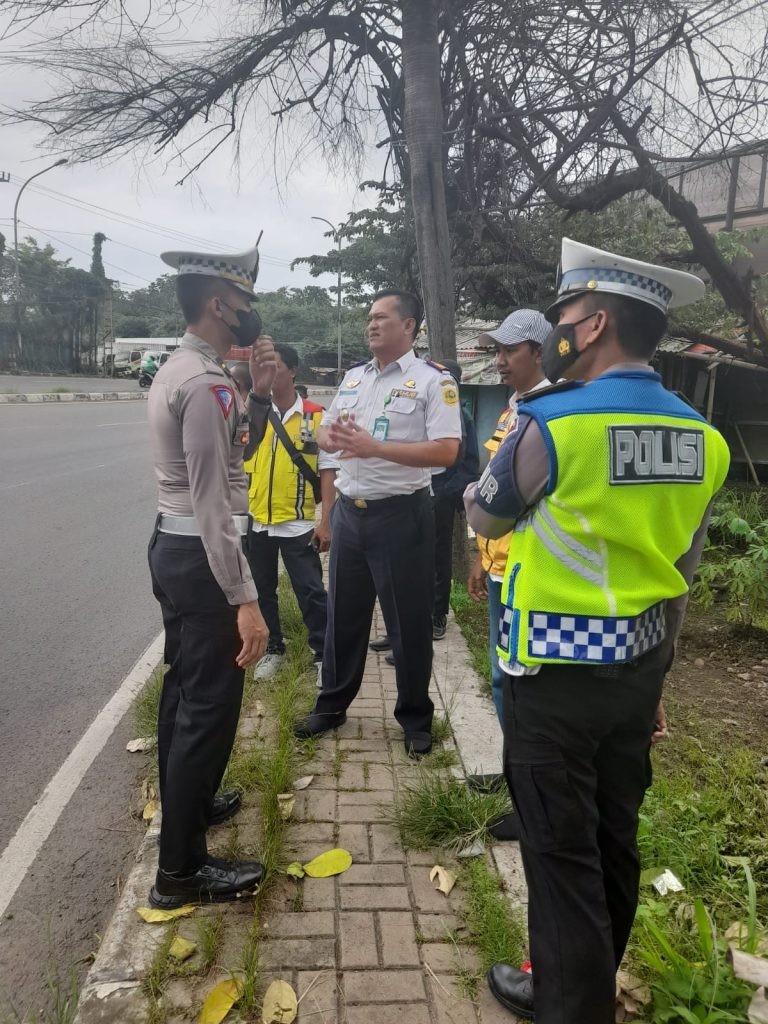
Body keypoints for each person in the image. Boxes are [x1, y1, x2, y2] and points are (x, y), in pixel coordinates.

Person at [465, 238, 731, 1024]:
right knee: (615, 838)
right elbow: (680, 573)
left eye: (564, 315)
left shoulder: (551, 422)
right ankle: (580, 982)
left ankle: (569, 1005)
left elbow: (483, 512)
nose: (557, 329)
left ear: (599, 321)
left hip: (554, 677)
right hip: (640, 674)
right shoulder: (703, 440)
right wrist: (656, 687)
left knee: (559, 857)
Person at [146, 241, 278, 908]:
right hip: (202, 556)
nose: (252, 313)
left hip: (175, 549)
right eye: (246, 301)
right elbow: (213, 504)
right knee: (208, 709)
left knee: (185, 694)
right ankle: (180, 872)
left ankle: (189, 806)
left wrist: (253, 393)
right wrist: (247, 600)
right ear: (220, 304)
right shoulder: (204, 384)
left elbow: (233, 453)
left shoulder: (186, 370)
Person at [293, 290, 463, 757]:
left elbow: (447, 451)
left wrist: (376, 448)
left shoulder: (433, 382)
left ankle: (414, 718)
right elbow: (325, 432)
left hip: (402, 516)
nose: (371, 325)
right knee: (342, 617)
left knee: (407, 624)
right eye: (368, 318)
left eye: (381, 318)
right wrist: (333, 436)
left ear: (408, 326)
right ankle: (332, 704)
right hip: (351, 512)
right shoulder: (353, 379)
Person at [465, 311, 550, 836]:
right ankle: (514, 772)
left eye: (508, 350)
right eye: (495, 350)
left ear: (538, 352)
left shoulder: (549, 413)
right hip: (500, 568)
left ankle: (533, 797)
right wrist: (480, 556)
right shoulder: (511, 409)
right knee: (501, 678)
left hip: (530, 575)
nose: (498, 360)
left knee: (523, 685)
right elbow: (496, 490)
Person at [240, 345, 338, 687]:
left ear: (293, 372)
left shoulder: (312, 416)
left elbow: (326, 470)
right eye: (263, 368)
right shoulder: (255, 413)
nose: (268, 374)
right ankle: (274, 649)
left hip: (297, 521)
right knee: (261, 590)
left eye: (276, 367)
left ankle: (324, 654)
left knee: (310, 590)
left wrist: (325, 521)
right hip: (258, 519)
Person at [380, 356, 479, 659]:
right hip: (413, 494)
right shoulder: (426, 408)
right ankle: (399, 628)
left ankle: (435, 619)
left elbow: (470, 465)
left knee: (436, 560)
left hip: (440, 497)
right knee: (403, 561)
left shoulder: (461, 417)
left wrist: (444, 493)